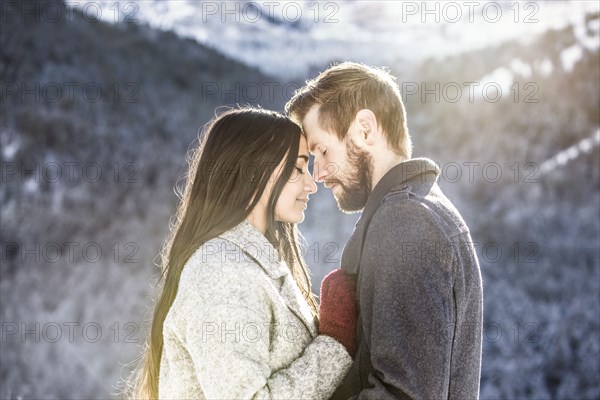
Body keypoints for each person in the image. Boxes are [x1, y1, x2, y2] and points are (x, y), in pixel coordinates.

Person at [121, 107, 357, 399]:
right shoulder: (222, 275)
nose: (311, 184)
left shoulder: (254, 265)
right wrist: (335, 342)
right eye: (298, 168)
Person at [286, 62, 484, 399]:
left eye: (322, 150)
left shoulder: (406, 223)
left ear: (365, 130)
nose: (317, 174)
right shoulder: (413, 211)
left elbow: (403, 393)